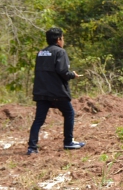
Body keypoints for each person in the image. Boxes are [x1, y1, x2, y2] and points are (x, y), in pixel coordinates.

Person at [27, 27, 85, 155]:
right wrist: (72, 75)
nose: (63, 41)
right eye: (62, 38)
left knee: (38, 119)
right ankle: (68, 142)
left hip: (41, 92)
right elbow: (62, 71)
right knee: (69, 113)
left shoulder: (41, 53)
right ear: (59, 39)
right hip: (57, 92)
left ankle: (32, 147)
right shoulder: (60, 52)